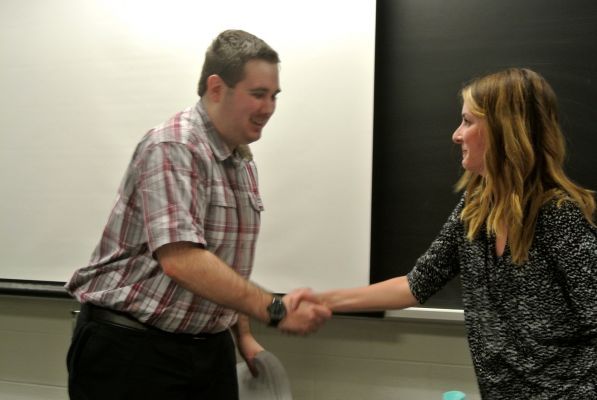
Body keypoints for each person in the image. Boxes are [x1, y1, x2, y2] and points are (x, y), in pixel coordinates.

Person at [65, 29, 331, 400]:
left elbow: (222, 263)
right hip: (133, 349)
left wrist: (243, 335)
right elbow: (183, 260)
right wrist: (275, 309)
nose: (269, 108)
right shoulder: (174, 146)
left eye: (274, 96)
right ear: (217, 88)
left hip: (207, 349)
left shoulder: (240, 159)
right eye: (258, 94)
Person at [314, 68, 596, 398]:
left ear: (503, 130)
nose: (456, 135)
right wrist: (322, 301)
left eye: (467, 121)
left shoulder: (558, 215)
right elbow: (415, 285)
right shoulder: (475, 207)